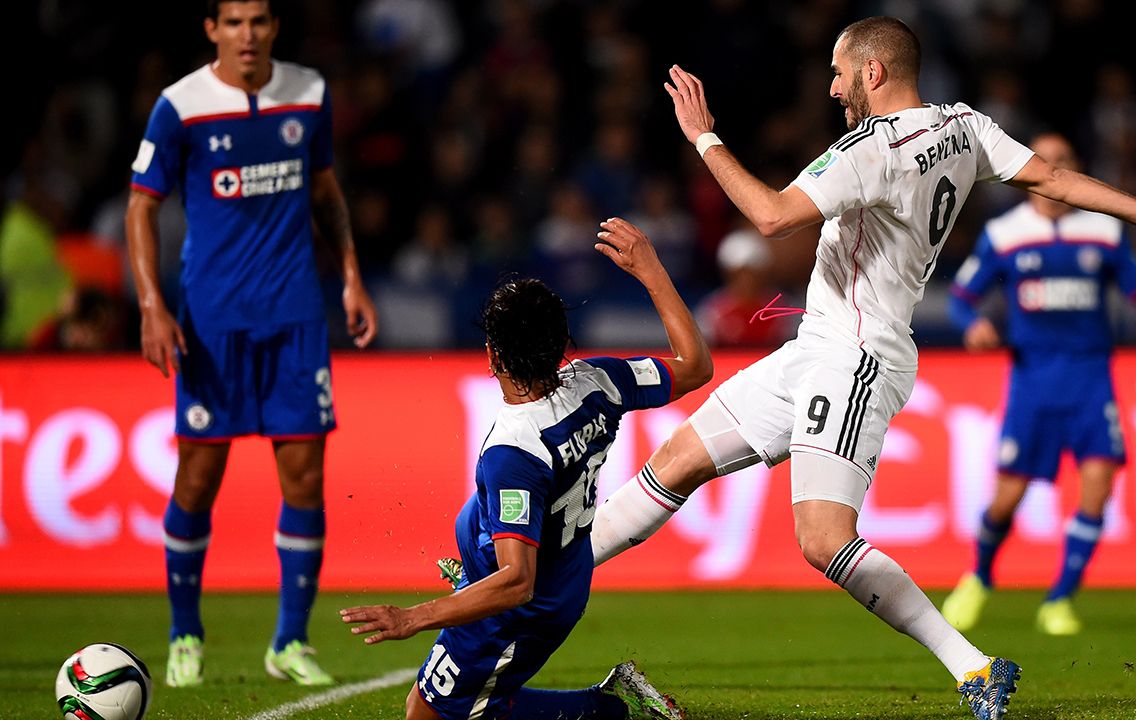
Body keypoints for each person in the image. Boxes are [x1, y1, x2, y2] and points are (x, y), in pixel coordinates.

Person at [586, 16, 1136, 720]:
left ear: (873, 73)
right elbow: (1056, 178)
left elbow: (768, 216)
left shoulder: (870, 147)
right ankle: (544, 577)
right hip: (816, 349)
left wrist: (703, 135)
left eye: (838, 72)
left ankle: (971, 665)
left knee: (823, 539)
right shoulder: (965, 125)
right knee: (676, 459)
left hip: (856, 355)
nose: (831, 87)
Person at [340, 217, 711, 720]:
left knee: (432, 717)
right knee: (442, 705)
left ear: (491, 358)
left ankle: (606, 711)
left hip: (518, 611)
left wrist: (413, 617)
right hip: (564, 566)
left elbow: (517, 581)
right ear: (562, 349)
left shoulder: (514, 453)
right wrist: (651, 272)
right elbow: (695, 366)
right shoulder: (599, 381)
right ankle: (599, 700)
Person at [125, 0, 378, 688]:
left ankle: (290, 642)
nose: (247, 34)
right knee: (197, 481)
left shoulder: (310, 91)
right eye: (233, 22)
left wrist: (351, 278)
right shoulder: (180, 106)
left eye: (259, 21)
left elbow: (324, 189)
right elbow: (140, 205)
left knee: (304, 479)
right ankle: (185, 634)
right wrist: (151, 306)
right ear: (210, 28)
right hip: (212, 324)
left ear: (274, 27)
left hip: (295, 318)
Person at [938, 132, 1136, 637]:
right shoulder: (1006, 234)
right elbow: (960, 297)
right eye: (1044, 161)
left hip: (1090, 378)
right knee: (1007, 498)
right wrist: (971, 323)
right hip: (1033, 381)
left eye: (1062, 160)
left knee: (1098, 485)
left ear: (1074, 170)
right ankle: (980, 576)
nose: (1051, 170)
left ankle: (1059, 597)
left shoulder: (1102, 231)